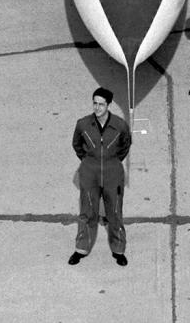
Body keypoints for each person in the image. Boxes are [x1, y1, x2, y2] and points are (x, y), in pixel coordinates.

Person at [68, 87, 130, 267]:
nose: (97, 108)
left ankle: (118, 250)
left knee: (115, 212)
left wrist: (112, 161)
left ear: (108, 105)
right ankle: (81, 249)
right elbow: (76, 144)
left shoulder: (119, 125)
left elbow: (125, 145)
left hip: (113, 173)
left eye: (101, 104)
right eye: (95, 103)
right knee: (87, 212)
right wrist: (89, 161)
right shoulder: (83, 124)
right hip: (89, 173)